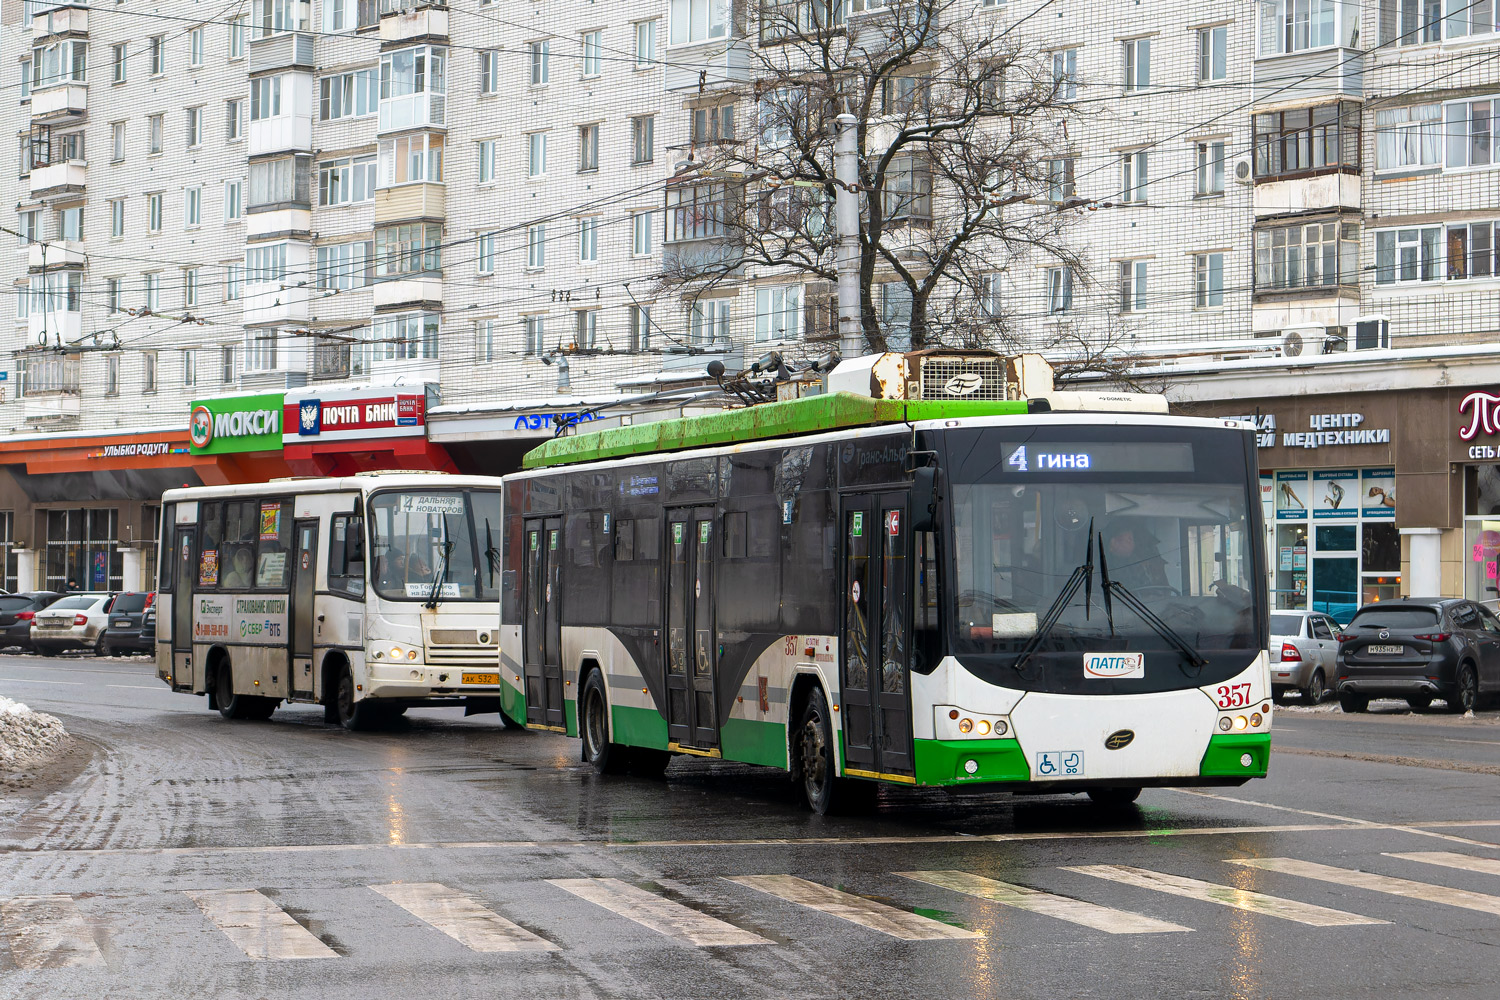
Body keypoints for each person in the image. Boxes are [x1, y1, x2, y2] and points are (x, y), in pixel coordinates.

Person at [1104, 523, 1168, 589]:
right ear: (1113, 542)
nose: (1131, 541)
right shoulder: (1105, 565)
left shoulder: (1139, 563)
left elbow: (1163, 590)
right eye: (1128, 538)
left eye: (1131, 538)